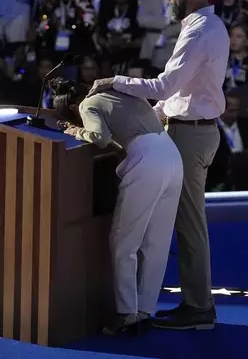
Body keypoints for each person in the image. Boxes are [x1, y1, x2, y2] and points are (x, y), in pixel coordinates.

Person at [86, 0, 229, 330]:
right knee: (181, 222)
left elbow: (164, 86)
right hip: (190, 130)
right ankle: (190, 304)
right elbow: (181, 93)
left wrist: (113, 81)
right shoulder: (208, 27)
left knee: (189, 223)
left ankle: (199, 307)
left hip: (190, 136)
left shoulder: (199, 30)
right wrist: (147, 116)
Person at [53, 78, 184, 335]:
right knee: (156, 242)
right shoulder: (119, 90)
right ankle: (144, 310)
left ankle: (126, 313)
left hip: (146, 162)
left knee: (124, 242)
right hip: (171, 155)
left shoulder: (87, 104)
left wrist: (74, 131)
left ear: (70, 105)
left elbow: (99, 138)